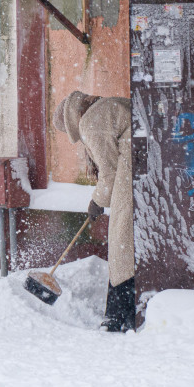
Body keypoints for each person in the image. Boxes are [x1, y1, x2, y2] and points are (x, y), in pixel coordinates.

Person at [53, 90, 135, 332]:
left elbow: (109, 171)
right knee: (129, 242)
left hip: (130, 170)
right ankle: (122, 311)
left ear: (71, 123)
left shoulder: (90, 122)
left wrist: (96, 202)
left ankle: (119, 315)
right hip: (143, 164)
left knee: (121, 243)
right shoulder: (106, 105)